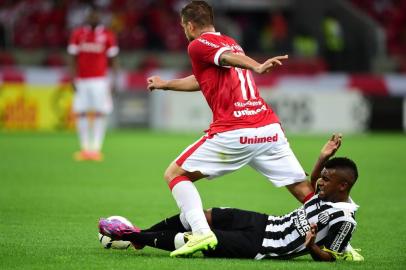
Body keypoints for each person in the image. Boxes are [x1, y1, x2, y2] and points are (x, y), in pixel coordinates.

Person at [146, 0, 314, 256]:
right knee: (304, 190)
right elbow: (202, 79)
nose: (184, 32)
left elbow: (225, 59)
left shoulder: (198, 44)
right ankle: (338, 242)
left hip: (236, 131)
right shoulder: (230, 41)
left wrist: (256, 65)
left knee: (175, 174)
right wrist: (165, 84)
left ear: (190, 25)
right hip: (268, 130)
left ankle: (201, 233)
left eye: (183, 27)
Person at [99, 135, 363, 261]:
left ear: (343, 186)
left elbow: (330, 258)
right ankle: (141, 237)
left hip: (264, 245)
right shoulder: (327, 194)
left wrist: (312, 246)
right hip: (265, 222)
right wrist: (322, 158)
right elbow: (311, 183)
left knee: (203, 240)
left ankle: (130, 235)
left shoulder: (345, 218)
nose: (320, 182)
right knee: (205, 216)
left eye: (327, 180)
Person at [67, 7, 119, 161]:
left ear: (100, 17)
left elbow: (114, 59)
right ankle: (84, 148)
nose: (93, 18)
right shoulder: (78, 34)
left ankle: (96, 148)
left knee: (100, 112)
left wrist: (115, 80)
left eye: (96, 15)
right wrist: (72, 77)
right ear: (87, 17)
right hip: (81, 80)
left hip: (100, 80)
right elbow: (71, 58)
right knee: (81, 112)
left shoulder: (107, 35)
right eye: (90, 15)